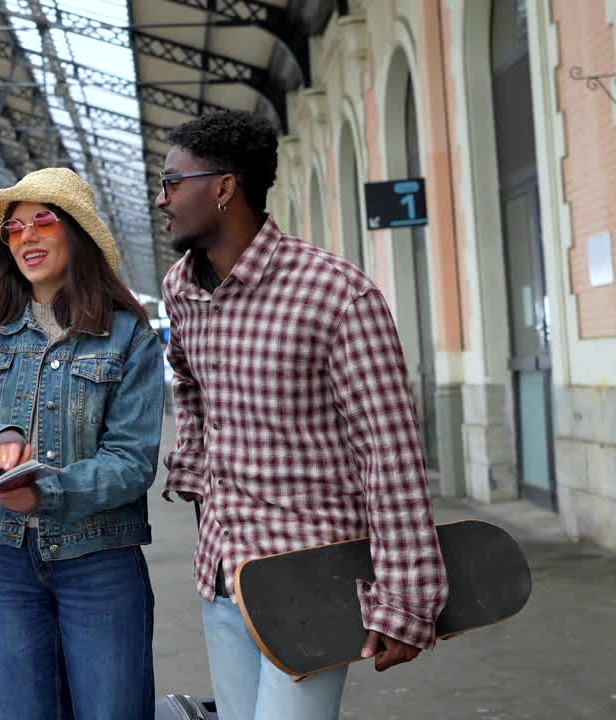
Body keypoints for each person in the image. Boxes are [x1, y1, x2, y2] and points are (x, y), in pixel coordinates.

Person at [156, 110, 450, 719]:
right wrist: (190, 462)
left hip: (312, 573)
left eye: (172, 182)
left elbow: (390, 453)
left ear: (224, 187)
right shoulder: (180, 290)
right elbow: (185, 379)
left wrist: (406, 595)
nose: (163, 200)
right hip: (221, 570)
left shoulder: (337, 294)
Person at [0, 168, 165, 720]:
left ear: (78, 233)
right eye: (14, 229)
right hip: (6, 558)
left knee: (111, 708)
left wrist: (49, 494)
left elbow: (132, 462)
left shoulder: (128, 335)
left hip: (100, 556)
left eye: (44, 221)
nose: (27, 237)